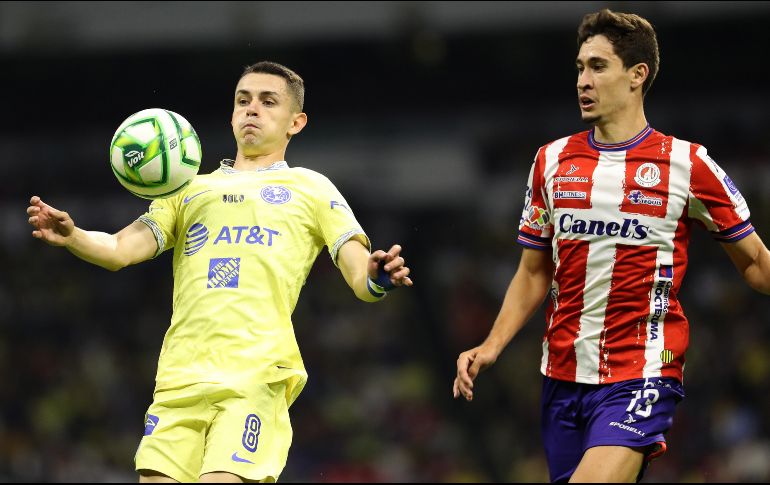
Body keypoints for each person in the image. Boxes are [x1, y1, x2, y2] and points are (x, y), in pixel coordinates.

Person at [27, 61, 413, 483]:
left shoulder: (312, 187)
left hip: (255, 377)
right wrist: (75, 236)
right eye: (243, 101)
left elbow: (359, 274)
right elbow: (121, 248)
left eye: (268, 102)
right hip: (179, 381)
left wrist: (376, 275)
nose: (252, 110)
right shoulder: (189, 189)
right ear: (231, 115)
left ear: (295, 122)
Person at [453, 9, 770, 483]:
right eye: (580, 67)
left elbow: (758, 266)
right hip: (561, 378)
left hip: (642, 374)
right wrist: (493, 344)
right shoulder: (551, 161)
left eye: (598, 67)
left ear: (637, 75)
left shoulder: (687, 164)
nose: (583, 80)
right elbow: (534, 271)